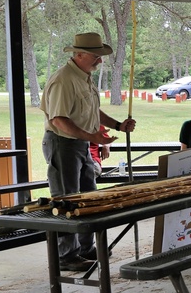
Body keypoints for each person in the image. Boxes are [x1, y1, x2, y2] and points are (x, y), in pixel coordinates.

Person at [40, 32, 136, 271]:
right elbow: (59, 120)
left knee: (88, 197)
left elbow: (94, 112)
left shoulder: (84, 77)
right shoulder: (64, 79)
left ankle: (86, 248)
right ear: (79, 54)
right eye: (95, 57)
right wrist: (91, 137)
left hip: (80, 144)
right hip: (63, 144)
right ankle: (66, 255)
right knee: (67, 199)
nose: (99, 61)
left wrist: (117, 125)